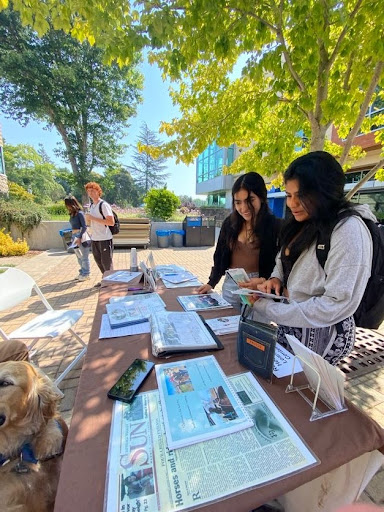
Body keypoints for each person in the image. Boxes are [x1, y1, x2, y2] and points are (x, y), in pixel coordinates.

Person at [253, 151, 375, 365]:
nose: (292, 204)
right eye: (289, 195)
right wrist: (275, 279)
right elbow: (283, 261)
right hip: (291, 322)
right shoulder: (303, 222)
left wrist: (269, 309)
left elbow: (336, 304)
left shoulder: (348, 230)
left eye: (301, 196)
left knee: (301, 395)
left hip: (322, 336)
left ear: (325, 192)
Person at [197, 172, 282, 308]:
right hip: (232, 284)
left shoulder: (275, 226)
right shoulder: (229, 224)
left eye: (250, 200)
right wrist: (211, 282)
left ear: (261, 197)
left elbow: (281, 264)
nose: (244, 208)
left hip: (259, 288)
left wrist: (264, 280)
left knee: (253, 328)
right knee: (227, 324)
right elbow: (219, 256)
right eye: (238, 202)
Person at [84, 182, 115, 287]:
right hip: (95, 238)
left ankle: (111, 283)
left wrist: (92, 218)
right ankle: (106, 279)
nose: (91, 193)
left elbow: (111, 222)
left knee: (107, 263)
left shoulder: (103, 205)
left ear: (98, 191)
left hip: (105, 238)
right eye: (89, 191)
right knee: (99, 261)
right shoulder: (92, 206)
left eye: (93, 190)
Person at [64, 196, 91, 282]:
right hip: (74, 236)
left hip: (81, 237)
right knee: (79, 256)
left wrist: (79, 237)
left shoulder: (80, 213)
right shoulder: (72, 214)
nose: (67, 207)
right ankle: (82, 272)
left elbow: (84, 226)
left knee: (84, 257)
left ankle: (86, 273)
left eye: (67, 205)